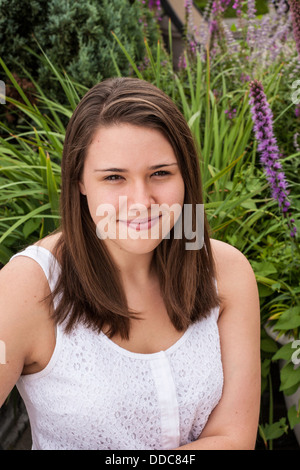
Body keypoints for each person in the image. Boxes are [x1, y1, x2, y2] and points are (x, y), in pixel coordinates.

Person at [0, 77, 260, 450]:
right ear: (80, 181)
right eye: (114, 177)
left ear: (185, 175)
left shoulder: (226, 272)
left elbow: (233, 438)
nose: (141, 201)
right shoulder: (27, 287)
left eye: (160, 173)